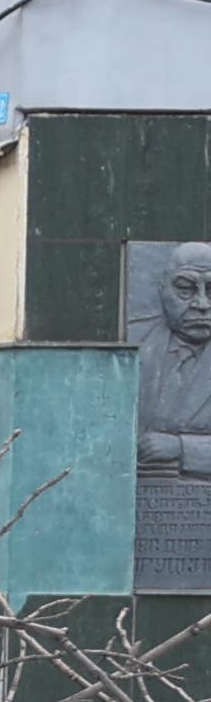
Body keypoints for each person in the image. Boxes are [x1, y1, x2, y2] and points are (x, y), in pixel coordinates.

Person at [139, 241, 211, 589]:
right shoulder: (131, 348)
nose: (202, 304)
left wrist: (180, 449)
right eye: (186, 289)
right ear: (161, 289)